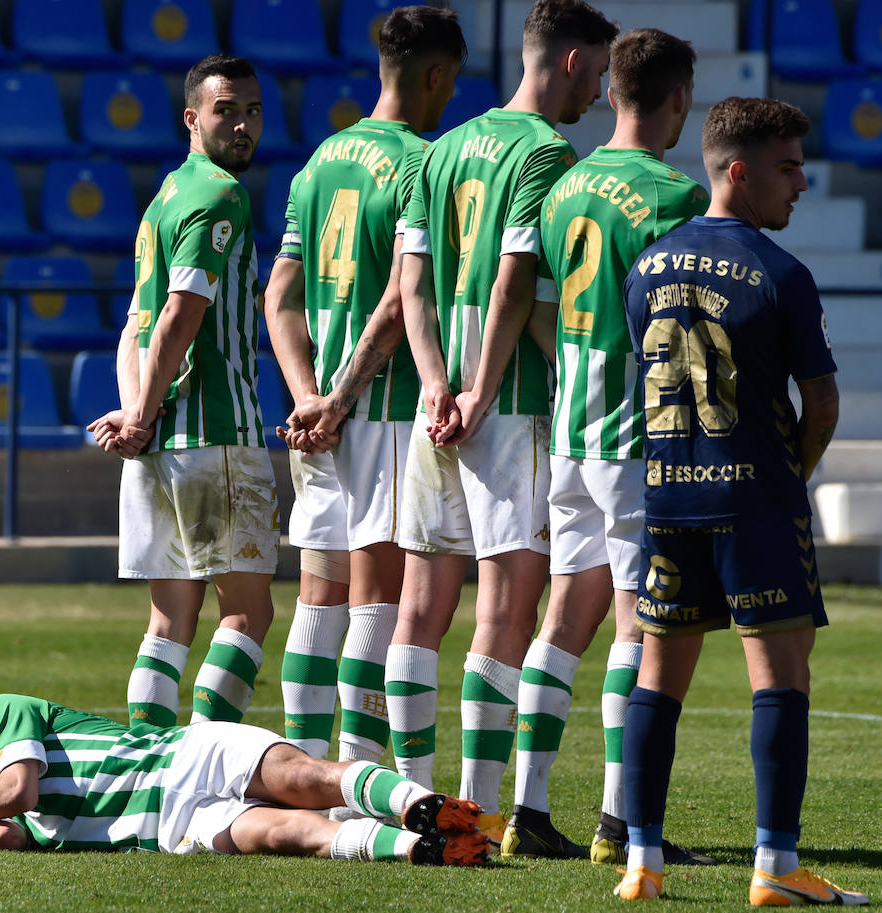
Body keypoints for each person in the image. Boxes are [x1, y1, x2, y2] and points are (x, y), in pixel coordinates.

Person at [614, 97, 864, 905]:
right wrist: (796, 472)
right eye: (787, 168)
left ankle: (641, 864)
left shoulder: (646, 264)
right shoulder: (782, 273)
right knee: (782, 678)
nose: (800, 183)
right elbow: (821, 403)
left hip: (668, 500)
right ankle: (775, 869)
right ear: (738, 171)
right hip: (755, 498)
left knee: (658, 678)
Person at [388, 0, 618, 843]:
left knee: (419, 607)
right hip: (507, 406)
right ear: (566, 63)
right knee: (505, 613)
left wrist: (437, 384)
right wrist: (481, 393)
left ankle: (413, 805)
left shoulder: (442, 148)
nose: (597, 94)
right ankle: (481, 811)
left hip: (431, 404)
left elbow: (412, 284)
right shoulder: (547, 152)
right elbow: (517, 283)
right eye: (595, 74)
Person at [503, 28, 715, 865]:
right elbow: (689, 333)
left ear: (614, 90)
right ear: (677, 100)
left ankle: (526, 808)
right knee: (638, 626)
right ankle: (621, 824)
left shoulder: (563, 187)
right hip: (638, 440)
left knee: (561, 620)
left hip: (571, 430)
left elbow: (540, 305)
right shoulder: (673, 197)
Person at [262, 6, 466, 771]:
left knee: (319, 599)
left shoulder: (319, 162)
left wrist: (306, 396)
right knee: (376, 601)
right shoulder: (424, 162)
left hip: (317, 420)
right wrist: (342, 398)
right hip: (377, 411)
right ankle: (358, 779)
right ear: (438, 76)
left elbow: (277, 295)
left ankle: (302, 772)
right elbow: (398, 297)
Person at [88, 55, 274, 728]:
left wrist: (135, 415)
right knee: (249, 613)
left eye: (253, 110)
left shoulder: (162, 200)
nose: (243, 125)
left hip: (158, 447)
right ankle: (203, 767)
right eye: (227, 111)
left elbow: (132, 324)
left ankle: (150, 770)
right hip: (215, 434)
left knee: (169, 622)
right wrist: (139, 413)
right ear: (192, 117)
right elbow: (178, 313)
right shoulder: (220, 194)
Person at [0, 693, 488, 865]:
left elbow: (17, 789)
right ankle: (432, 848)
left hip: (189, 755)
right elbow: (3, 833)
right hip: (175, 828)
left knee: (309, 777)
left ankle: (429, 806)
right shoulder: (5, 827)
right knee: (294, 836)